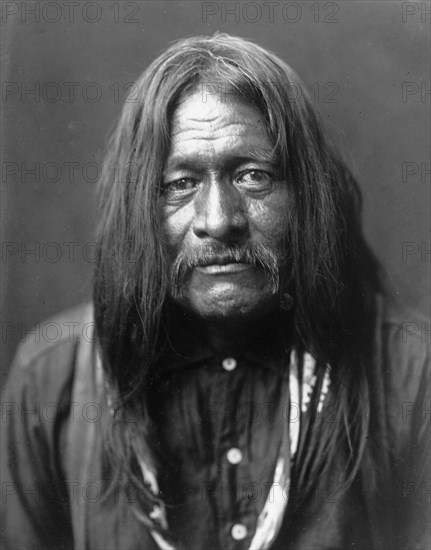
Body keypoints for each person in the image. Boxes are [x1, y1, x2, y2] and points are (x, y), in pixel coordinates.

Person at [1, 33, 429, 550]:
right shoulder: (52, 381)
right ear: (139, 208)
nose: (218, 220)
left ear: (307, 196)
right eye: (179, 184)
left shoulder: (411, 373)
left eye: (253, 175)